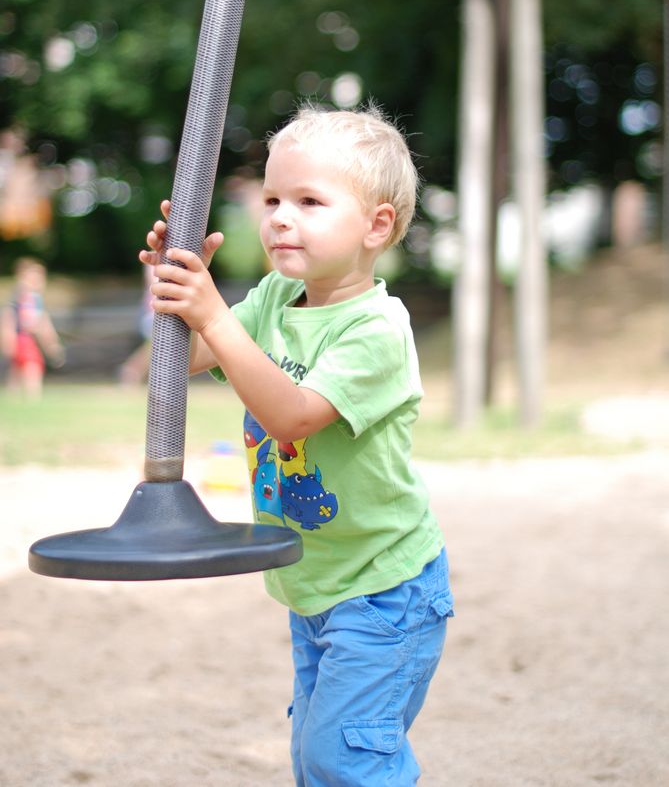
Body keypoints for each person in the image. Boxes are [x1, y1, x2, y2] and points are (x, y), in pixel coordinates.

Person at [140, 103, 454, 786]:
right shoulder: (276, 297)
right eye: (274, 197)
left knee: (343, 757)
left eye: (309, 200)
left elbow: (290, 415)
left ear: (377, 226)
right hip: (314, 584)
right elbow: (185, 357)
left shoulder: (375, 329)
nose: (280, 214)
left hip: (383, 587)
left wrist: (216, 312)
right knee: (316, 758)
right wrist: (171, 286)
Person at [1, 256, 64, 396]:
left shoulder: (23, 298)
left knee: (17, 371)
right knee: (32, 368)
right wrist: (51, 344)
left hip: (23, 340)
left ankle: (15, 400)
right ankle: (32, 398)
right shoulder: (29, 299)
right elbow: (39, 323)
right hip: (26, 340)